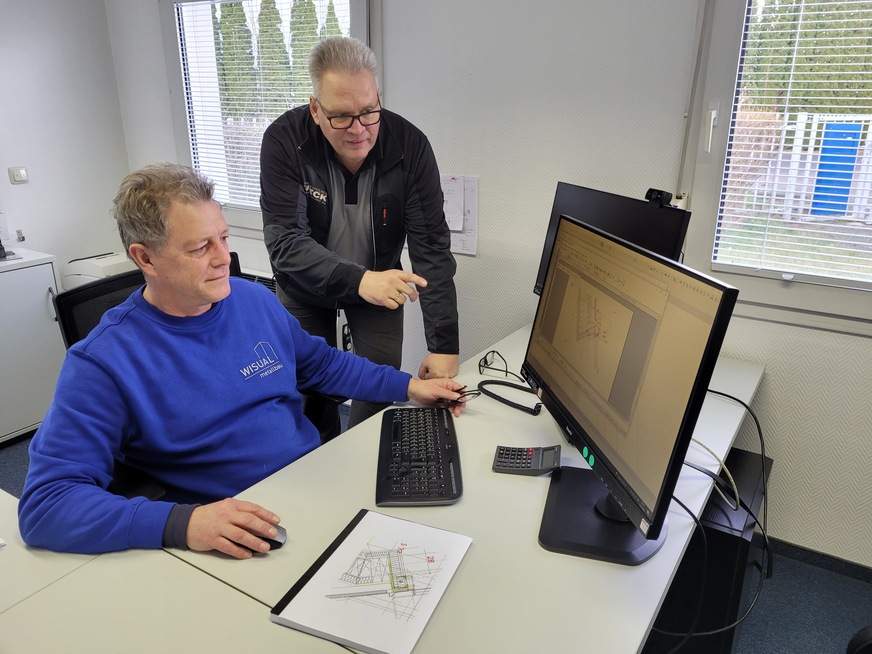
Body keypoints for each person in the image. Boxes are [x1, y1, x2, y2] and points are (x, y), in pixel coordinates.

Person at [18, 163, 466, 559]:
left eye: (224, 238)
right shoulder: (101, 363)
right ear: (145, 257)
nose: (223, 259)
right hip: (245, 523)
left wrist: (409, 387)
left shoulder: (253, 299)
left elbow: (324, 365)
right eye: (199, 248)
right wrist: (184, 524)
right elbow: (47, 504)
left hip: (316, 480)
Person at [260, 36, 459, 441]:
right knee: (306, 392)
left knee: (378, 387)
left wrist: (444, 344)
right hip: (305, 285)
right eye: (341, 117)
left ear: (379, 97)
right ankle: (317, 466)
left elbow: (431, 249)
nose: (358, 130)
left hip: (380, 284)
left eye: (369, 112)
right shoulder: (284, 142)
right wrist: (359, 279)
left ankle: (364, 464)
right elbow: (284, 243)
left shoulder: (410, 147)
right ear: (316, 109)